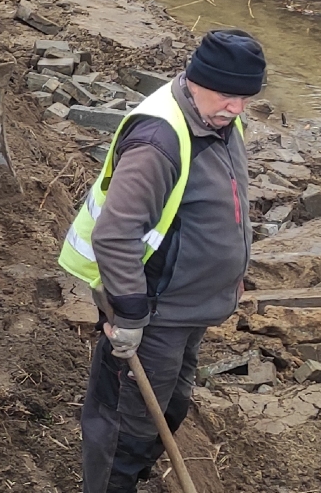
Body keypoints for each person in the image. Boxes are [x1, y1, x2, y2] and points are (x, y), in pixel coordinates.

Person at [58, 29, 263, 493]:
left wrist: (232, 275)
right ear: (196, 79)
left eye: (246, 97)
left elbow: (224, 207)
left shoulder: (222, 123)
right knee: (125, 427)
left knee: (170, 406)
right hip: (154, 311)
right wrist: (129, 313)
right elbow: (115, 233)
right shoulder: (158, 138)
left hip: (193, 306)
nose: (236, 107)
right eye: (227, 95)